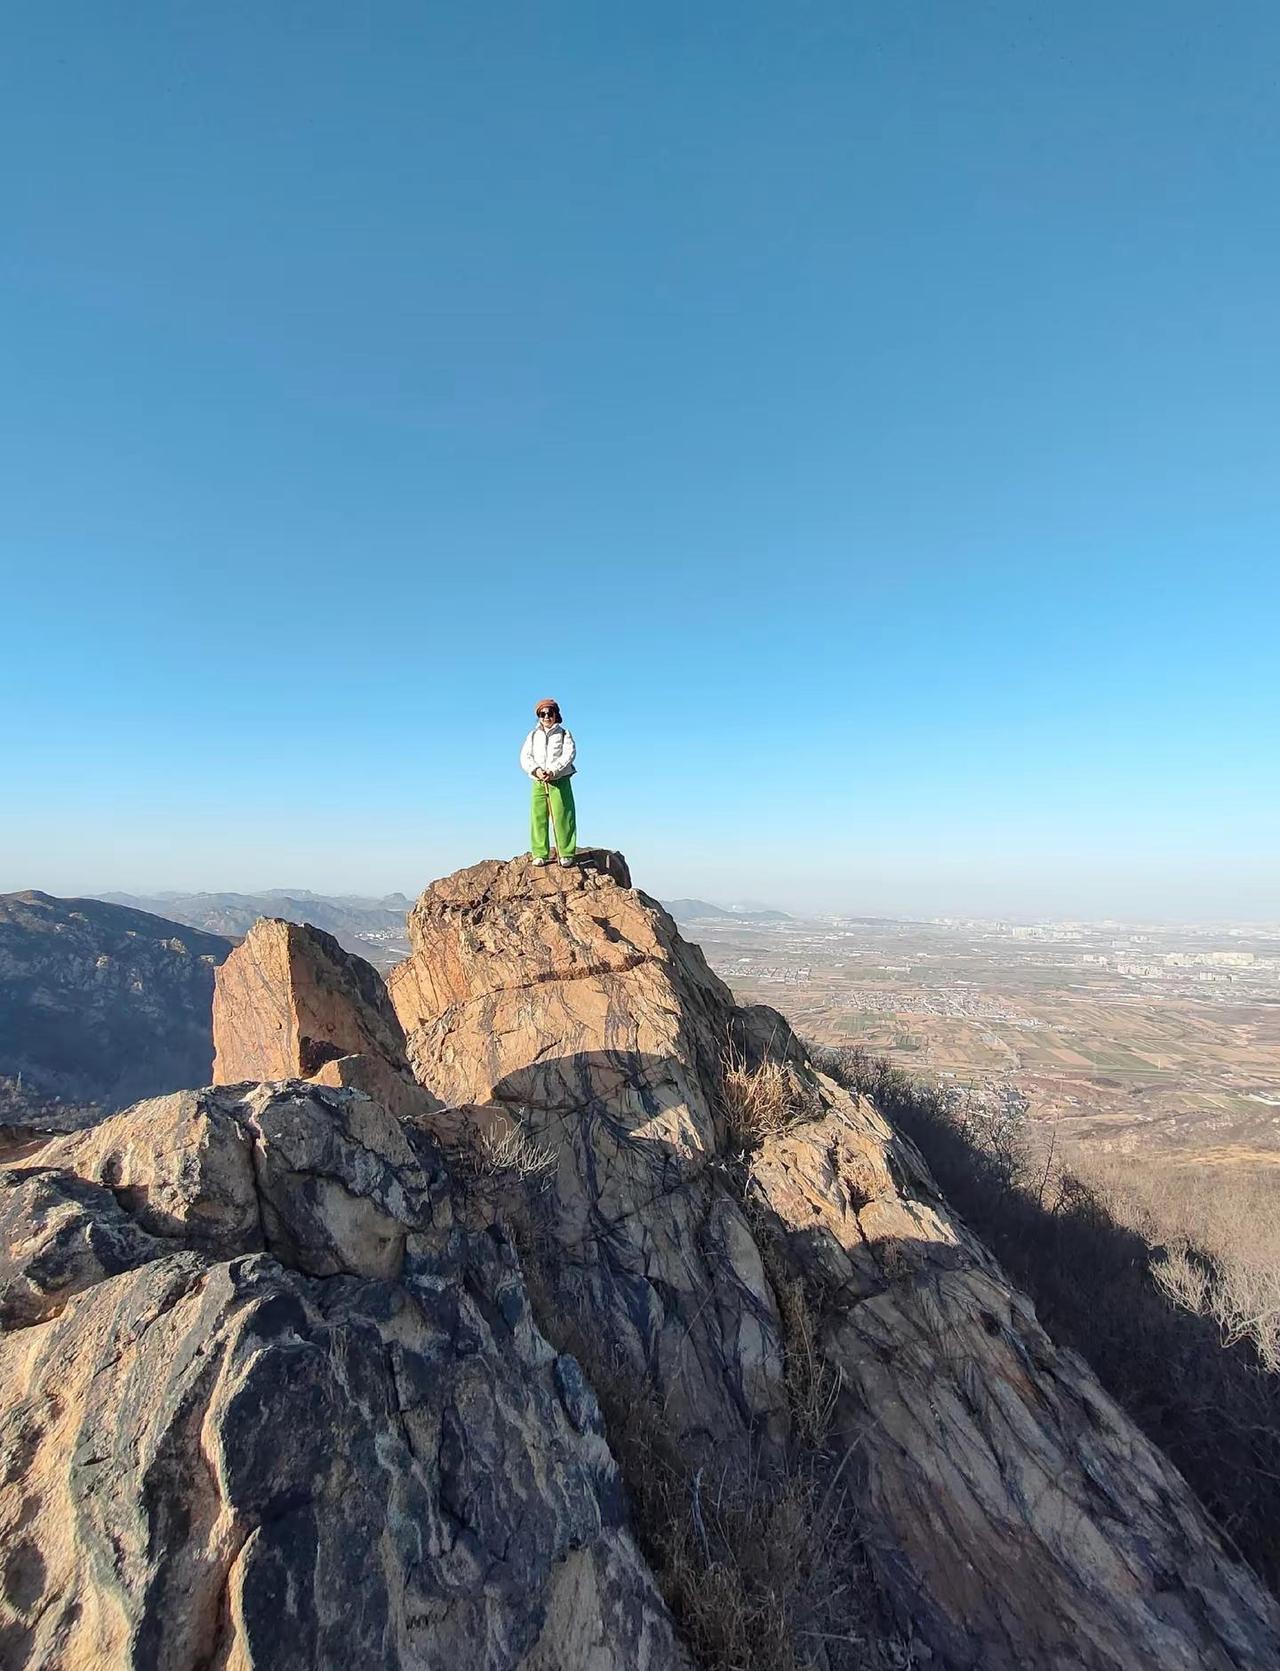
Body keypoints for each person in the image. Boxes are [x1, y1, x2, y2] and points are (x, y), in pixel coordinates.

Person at [520, 699, 577, 867]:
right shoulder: (532, 735)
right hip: (538, 780)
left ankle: (566, 853)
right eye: (542, 713)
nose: (546, 717)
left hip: (559, 780)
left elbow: (569, 754)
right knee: (538, 817)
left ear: (556, 714)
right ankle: (540, 853)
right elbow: (525, 756)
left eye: (549, 713)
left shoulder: (564, 734)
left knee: (563, 816)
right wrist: (536, 770)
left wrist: (553, 770)